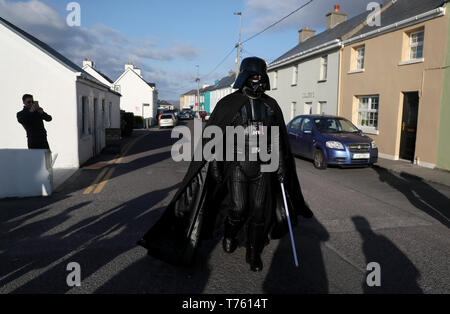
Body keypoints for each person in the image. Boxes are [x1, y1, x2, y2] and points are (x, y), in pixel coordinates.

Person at [138, 57, 313, 272]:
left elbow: (277, 139)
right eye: (253, 77)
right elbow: (214, 139)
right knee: (238, 207)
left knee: (259, 211)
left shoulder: (270, 105)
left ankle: (253, 251)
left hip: (264, 166)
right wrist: (214, 166)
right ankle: (230, 235)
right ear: (245, 77)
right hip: (237, 164)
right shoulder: (229, 104)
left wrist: (282, 166)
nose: (257, 81)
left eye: (260, 77)